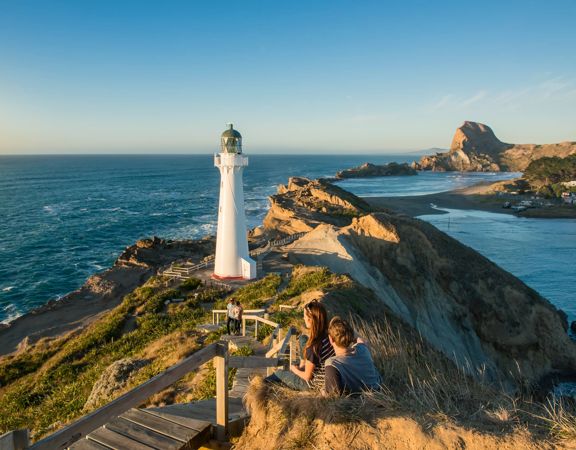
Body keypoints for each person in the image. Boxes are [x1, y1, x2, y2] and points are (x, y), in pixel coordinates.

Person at [266, 301, 335, 391]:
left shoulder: (313, 346)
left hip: (312, 386)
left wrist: (294, 370)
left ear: (310, 319)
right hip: (325, 379)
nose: (303, 318)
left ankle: (260, 390)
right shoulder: (329, 335)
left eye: (305, 316)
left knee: (278, 374)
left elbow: (307, 377)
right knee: (303, 338)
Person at [324, 316, 381, 395]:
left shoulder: (332, 364)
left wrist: (323, 393)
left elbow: (332, 396)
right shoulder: (362, 348)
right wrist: (349, 332)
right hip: (378, 392)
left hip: (358, 403)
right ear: (351, 335)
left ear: (331, 339)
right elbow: (360, 339)